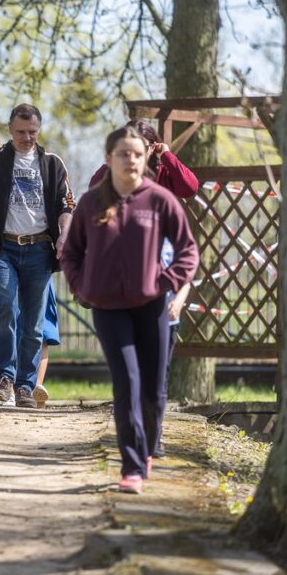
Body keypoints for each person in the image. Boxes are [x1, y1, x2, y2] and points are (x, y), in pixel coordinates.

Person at [61, 126, 199, 494]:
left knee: (152, 390)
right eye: (123, 153)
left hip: (152, 304)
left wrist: (166, 282)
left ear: (146, 157)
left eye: (137, 153)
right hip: (108, 307)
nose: (131, 160)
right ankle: (132, 466)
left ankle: (148, 447)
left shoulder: (158, 200)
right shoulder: (92, 202)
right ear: (109, 159)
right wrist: (81, 284)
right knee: (127, 383)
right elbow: (71, 252)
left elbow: (188, 250)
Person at [0, 104, 75, 408]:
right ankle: (4, 379)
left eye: (32, 132)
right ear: (10, 129)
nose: (27, 137)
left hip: (39, 249)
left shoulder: (52, 164)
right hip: (1, 247)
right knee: (4, 306)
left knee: (34, 322)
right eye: (21, 132)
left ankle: (26, 385)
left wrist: (64, 237)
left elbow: (65, 207)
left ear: (39, 129)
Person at [90, 119, 199, 455]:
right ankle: (137, 437)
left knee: (157, 370)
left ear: (151, 148)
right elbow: (93, 195)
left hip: (159, 279)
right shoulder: (112, 174)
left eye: (140, 148)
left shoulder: (163, 181)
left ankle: (154, 435)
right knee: (129, 369)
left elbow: (189, 187)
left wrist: (166, 157)